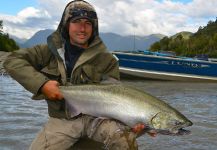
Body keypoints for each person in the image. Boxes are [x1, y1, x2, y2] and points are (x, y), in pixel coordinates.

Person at [4, 0, 145, 149]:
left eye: (88, 23)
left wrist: (132, 122)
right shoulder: (47, 51)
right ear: (66, 24)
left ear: (94, 27)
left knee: (126, 141)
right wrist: (42, 84)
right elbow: (12, 60)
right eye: (77, 21)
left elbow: (116, 97)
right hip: (62, 120)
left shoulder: (108, 60)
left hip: (98, 120)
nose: (82, 28)